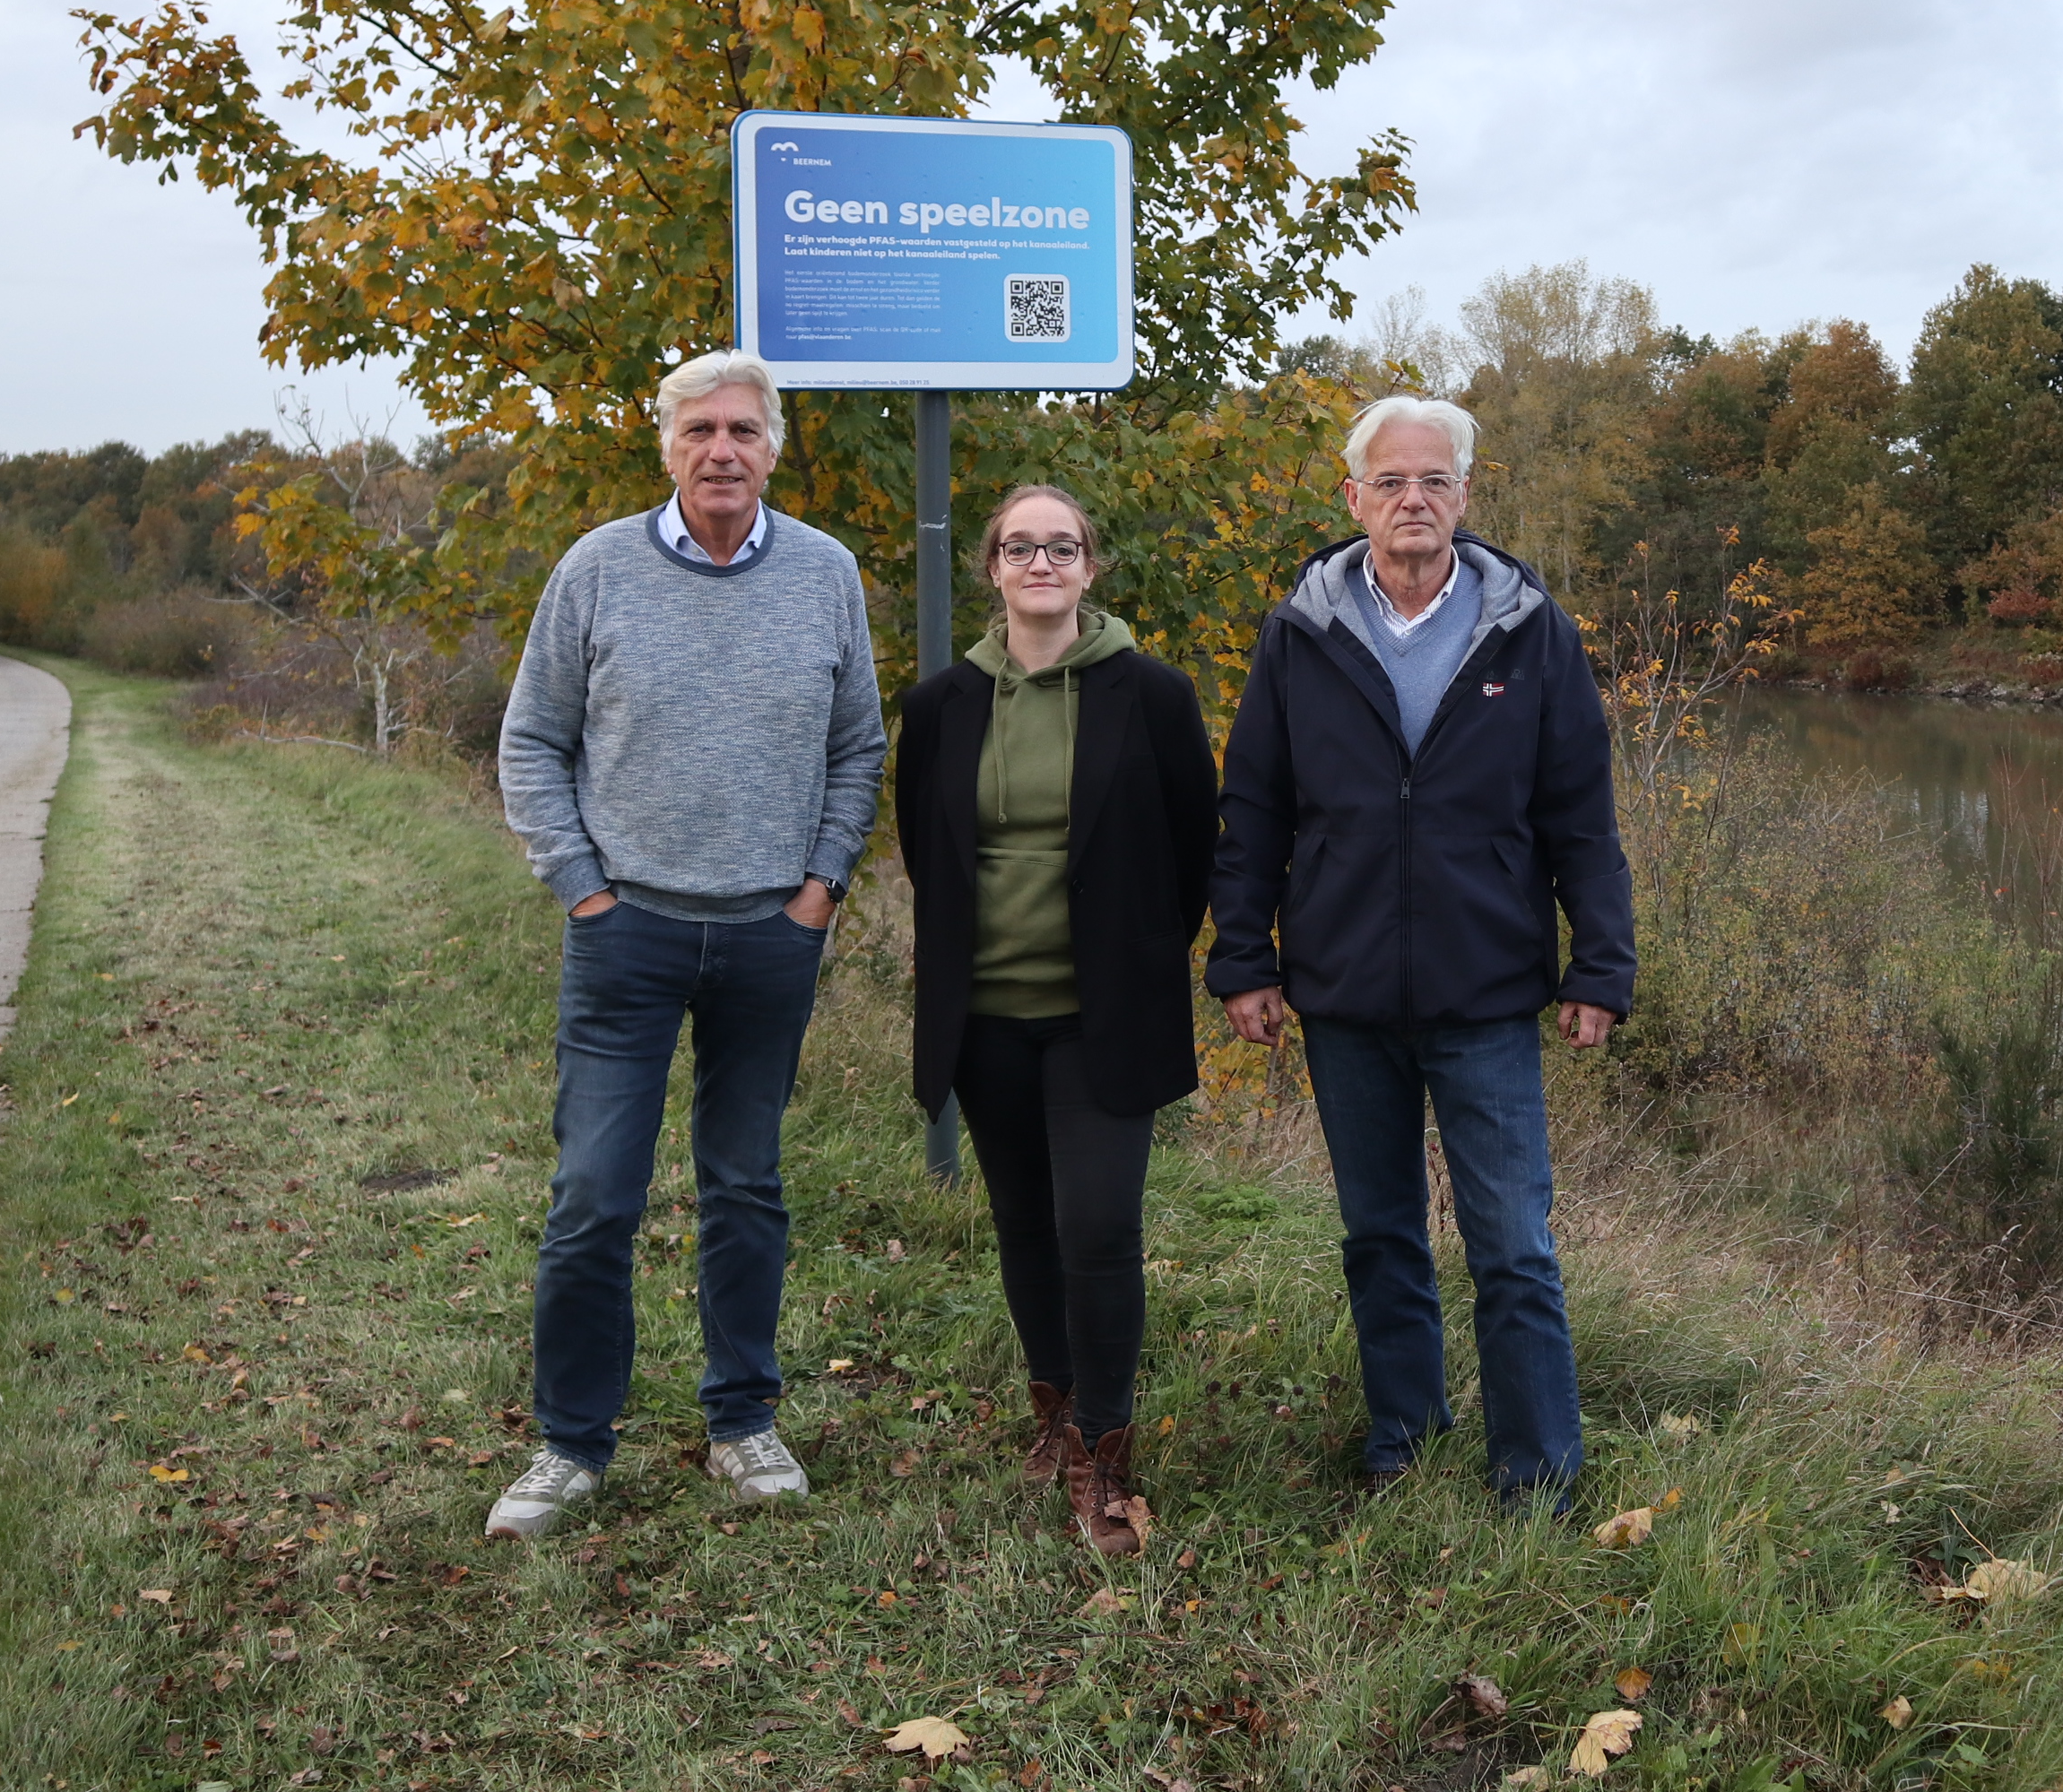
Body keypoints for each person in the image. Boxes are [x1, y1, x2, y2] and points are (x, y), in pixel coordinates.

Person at [485, 350, 886, 1539]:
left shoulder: (826, 574)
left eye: (744, 431)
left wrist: (821, 887)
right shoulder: (598, 569)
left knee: (746, 1189)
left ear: (775, 448)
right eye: (701, 429)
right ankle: (570, 1445)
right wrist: (583, 890)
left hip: (771, 934)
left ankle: (742, 1422)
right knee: (593, 1198)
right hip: (628, 935)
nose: (723, 450)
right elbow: (532, 741)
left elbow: (858, 745)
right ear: (666, 444)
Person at [1209, 394, 1634, 1506]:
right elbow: (1253, 806)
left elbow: (1579, 810)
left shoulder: (1529, 628)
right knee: (1380, 1235)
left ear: (1464, 495)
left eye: (1433, 481)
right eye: (1390, 481)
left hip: (1486, 988)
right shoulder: (1303, 627)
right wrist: (1244, 957)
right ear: (1351, 497)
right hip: (1343, 987)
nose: (1412, 500)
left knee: (1513, 1244)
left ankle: (1537, 1470)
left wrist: (1600, 963)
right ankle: (1404, 1435)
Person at [896, 485, 1216, 1554]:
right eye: (1020, 546)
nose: (1041, 561)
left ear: (1090, 566)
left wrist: (1134, 955)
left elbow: (1192, 848)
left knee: (1097, 1225)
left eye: (1062, 545)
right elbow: (923, 845)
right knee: (1025, 1221)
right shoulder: (943, 702)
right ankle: (1054, 1411)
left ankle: (1105, 1455)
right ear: (992, 566)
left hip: (1101, 1014)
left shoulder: (1153, 695)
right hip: (982, 1011)